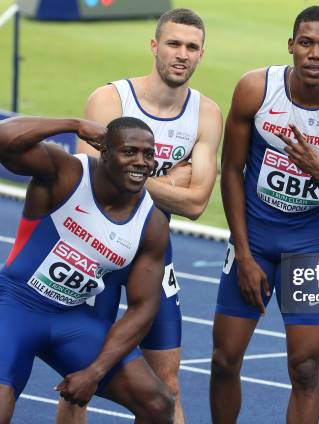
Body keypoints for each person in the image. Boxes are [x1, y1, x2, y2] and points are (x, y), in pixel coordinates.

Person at [211, 5, 319, 423]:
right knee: (225, 359)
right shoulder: (256, 89)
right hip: (255, 241)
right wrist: (243, 254)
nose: (315, 54)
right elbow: (230, 170)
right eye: (306, 43)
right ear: (291, 47)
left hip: (307, 250)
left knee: (305, 369)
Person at [63, 8, 222, 424]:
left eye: (191, 47)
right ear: (155, 46)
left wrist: (129, 174)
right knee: (79, 383)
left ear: (202, 54)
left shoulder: (206, 114)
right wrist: (170, 178)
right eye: (173, 44)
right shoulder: (110, 100)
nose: (181, 54)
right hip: (94, 253)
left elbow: (196, 205)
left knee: (166, 383)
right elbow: (91, 184)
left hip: (152, 255)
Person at [0, 115, 174, 423]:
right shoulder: (66, 172)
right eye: (129, 151)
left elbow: (142, 308)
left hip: (72, 320)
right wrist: (73, 124)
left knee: (159, 405)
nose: (141, 162)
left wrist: (95, 372)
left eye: (148, 154)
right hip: (16, 306)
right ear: (104, 152)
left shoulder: (152, 224)